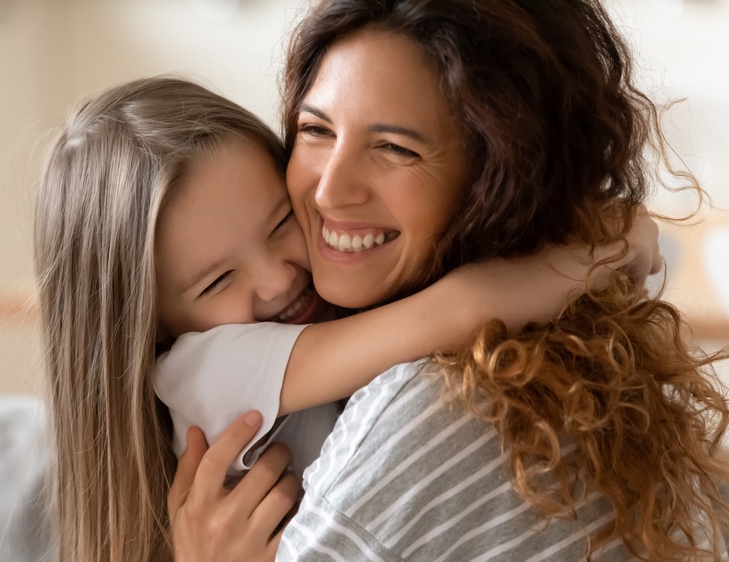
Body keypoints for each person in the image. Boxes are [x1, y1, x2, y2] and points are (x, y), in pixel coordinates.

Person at [169, 0, 729, 560]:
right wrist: (609, 241)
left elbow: (462, 307)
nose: (328, 192)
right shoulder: (574, 352)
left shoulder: (425, 413)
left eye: (394, 147)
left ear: (499, 179)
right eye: (316, 129)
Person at [34, 77, 657, 562]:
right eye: (218, 280)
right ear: (152, 326)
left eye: (281, 223)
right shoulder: (204, 370)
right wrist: (619, 241)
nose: (278, 278)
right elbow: (460, 309)